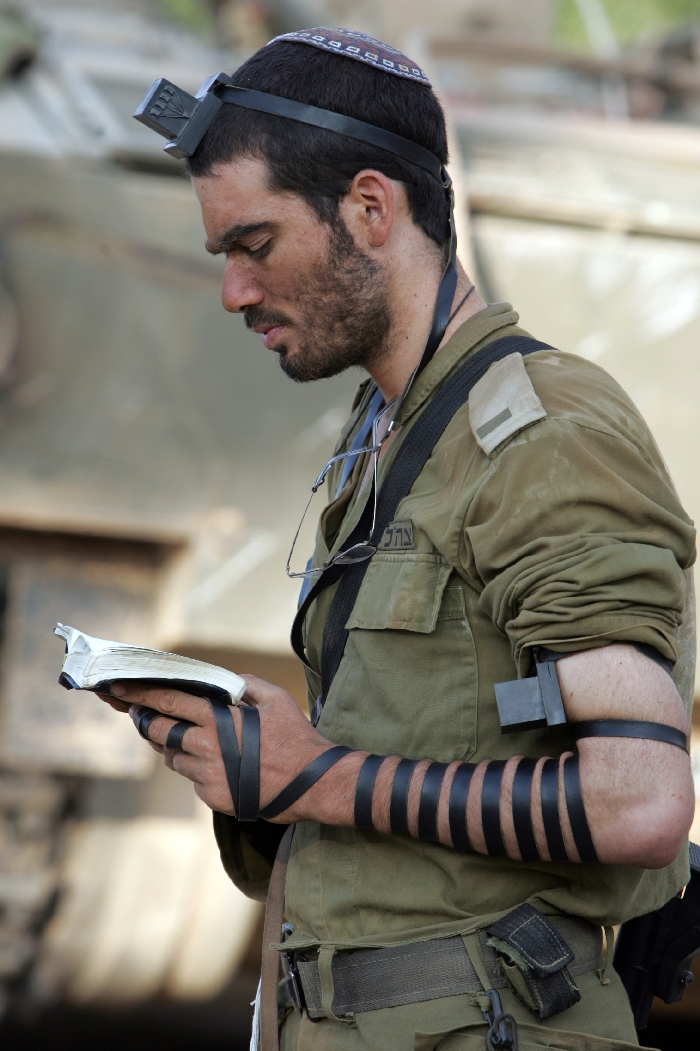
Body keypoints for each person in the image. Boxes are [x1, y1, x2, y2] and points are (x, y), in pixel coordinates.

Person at [114, 29, 697, 1051]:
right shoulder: (385, 438)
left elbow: (639, 800)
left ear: (370, 209)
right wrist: (256, 764)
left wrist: (314, 773)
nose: (233, 293)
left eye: (254, 245)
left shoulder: (543, 435)